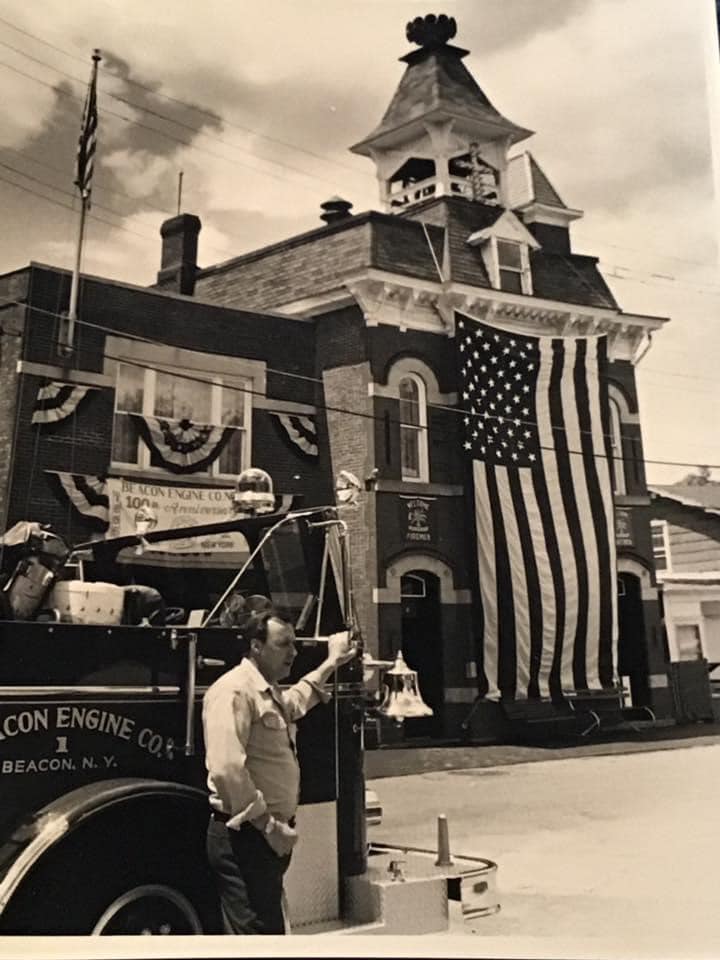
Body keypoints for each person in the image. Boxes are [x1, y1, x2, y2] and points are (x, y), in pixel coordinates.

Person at [203, 609, 356, 935]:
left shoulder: (265, 690)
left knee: (268, 930)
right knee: (258, 937)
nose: (294, 652)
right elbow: (227, 768)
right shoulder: (233, 691)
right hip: (246, 839)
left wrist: (331, 663)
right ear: (256, 646)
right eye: (284, 644)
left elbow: (296, 702)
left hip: (262, 840)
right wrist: (268, 825)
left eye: (294, 643)